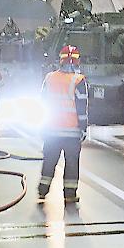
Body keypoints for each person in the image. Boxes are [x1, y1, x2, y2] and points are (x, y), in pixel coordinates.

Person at [38, 45, 88, 203]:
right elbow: (82, 108)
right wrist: (83, 129)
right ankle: (70, 195)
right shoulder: (79, 80)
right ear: (77, 61)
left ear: (60, 60)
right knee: (72, 163)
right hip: (71, 132)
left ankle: (42, 191)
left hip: (51, 131)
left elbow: (43, 103)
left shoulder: (50, 78)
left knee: (49, 160)